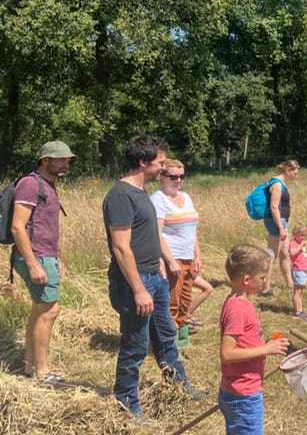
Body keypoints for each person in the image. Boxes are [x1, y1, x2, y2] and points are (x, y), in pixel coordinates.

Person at [103, 135, 202, 417]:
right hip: (135, 283)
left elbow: (150, 236)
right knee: (135, 346)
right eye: (159, 162)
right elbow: (121, 248)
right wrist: (138, 289)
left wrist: (160, 268)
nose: (163, 167)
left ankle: (179, 386)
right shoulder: (120, 196)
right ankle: (127, 405)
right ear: (143, 162)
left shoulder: (141, 193)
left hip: (153, 278)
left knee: (167, 336)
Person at [11, 141, 76, 383]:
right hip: (35, 256)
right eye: (60, 159)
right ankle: (42, 373)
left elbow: (45, 227)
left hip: (45, 256)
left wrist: (56, 258)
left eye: (67, 160)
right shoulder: (30, 184)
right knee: (49, 310)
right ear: (44, 160)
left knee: (41, 309)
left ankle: (31, 367)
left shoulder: (48, 185)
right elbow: (18, 227)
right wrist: (33, 264)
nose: (65, 164)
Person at [219, 244, 290, 435]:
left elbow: (244, 341)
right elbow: (227, 353)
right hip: (243, 396)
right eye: (262, 277)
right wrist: (266, 349)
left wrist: (267, 344)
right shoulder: (237, 309)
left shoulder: (240, 302)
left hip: (241, 392)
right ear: (247, 280)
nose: (265, 281)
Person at [150, 159, 203, 347]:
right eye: (173, 177)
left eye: (182, 176)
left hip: (189, 257)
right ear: (162, 177)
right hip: (173, 258)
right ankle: (169, 345)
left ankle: (182, 339)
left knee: (185, 300)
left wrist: (197, 256)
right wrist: (170, 261)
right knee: (172, 302)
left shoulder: (186, 197)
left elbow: (192, 230)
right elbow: (157, 233)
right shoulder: (158, 199)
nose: (178, 180)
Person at [260, 160, 300, 298]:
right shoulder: (277, 184)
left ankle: (290, 283)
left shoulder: (280, 183)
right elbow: (274, 207)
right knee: (271, 256)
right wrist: (281, 228)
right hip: (276, 223)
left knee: (284, 253)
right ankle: (265, 289)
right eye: (294, 172)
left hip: (281, 222)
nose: (296, 175)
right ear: (287, 170)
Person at [288, 223, 307, 320]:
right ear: (295, 234)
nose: (303, 237)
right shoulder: (294, 244)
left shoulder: (301, 244)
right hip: (298, 270)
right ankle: (297, 312)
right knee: (297, 291)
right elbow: (292, 253)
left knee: (301, 291)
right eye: (301, 235)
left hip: (303, 269)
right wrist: (301, 245)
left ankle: (300, 310)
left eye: (305, 235)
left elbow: (302, 255)